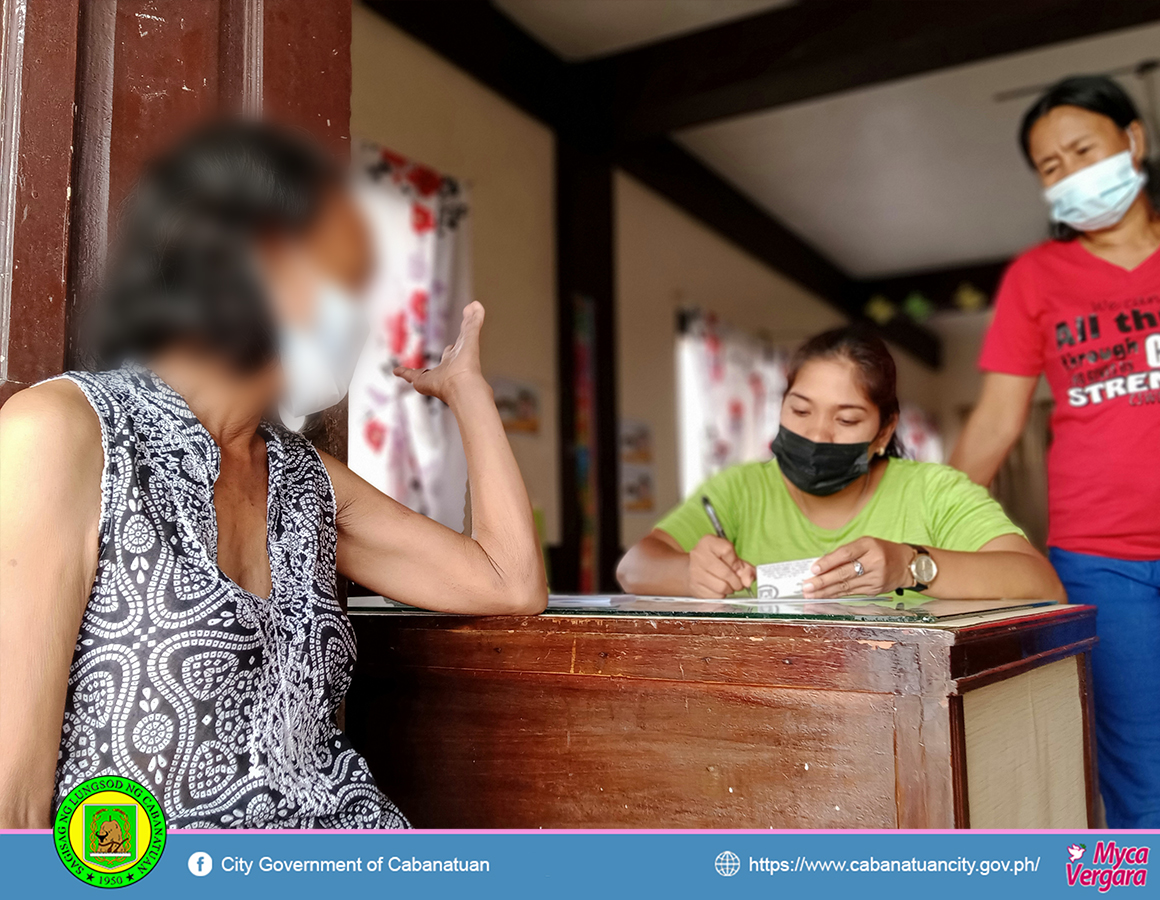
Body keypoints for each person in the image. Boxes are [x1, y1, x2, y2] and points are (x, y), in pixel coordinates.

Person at [0, 122, 547, 829]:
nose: (357, 314)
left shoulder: (306, 480)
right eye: (337, 277)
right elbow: (12, 802)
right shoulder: (65, 433)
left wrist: (468, 392)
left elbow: (509, 581)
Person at [950, 75, 1160, 829]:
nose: (1071, 172)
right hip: (1098, 563)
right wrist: (919, 533)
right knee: (1150, 783)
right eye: (1051, 166)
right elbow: (995, 424)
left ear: (1134, 140)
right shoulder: (1037, 280)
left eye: (1083, 149)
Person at [617, 326, 1065, 604]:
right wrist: (690, 573)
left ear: (884, 433)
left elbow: (1041, 583)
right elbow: (633, 568)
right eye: (800, 410)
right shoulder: (741, 490)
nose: (816, 434)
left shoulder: (934, 491)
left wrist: (910, 566)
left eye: (847, 419)